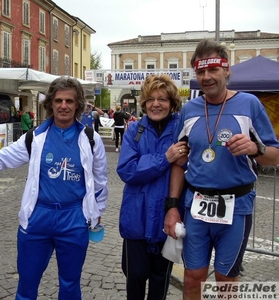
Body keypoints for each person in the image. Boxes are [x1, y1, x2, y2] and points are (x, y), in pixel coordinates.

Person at [163, 39, 279, 300]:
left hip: (236, 206)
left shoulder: (249, 104)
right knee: (193, 277)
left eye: (213, 69)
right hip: (197, 205)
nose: (207, 77)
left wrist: (255, 148)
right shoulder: (190, 109)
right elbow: (179, 162)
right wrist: (172, 206)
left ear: (227, 70)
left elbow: (274, 155)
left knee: (226, 279)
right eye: (201, 71)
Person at [0, 76, 108, 300]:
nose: (63, 106)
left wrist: (97, 211)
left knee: (70, 285)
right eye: (58, 101)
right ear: (51, 104)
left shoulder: (91, 140)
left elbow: (101, 179)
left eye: (69, 101)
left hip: (74, 218)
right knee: (26, 285)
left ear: (77, 105)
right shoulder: (34, 138)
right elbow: (0, 159)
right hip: (38, 217)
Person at [117, 74, 189, 300]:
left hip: (168, 216)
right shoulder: (134, 130)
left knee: (161, 279)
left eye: (162, 99)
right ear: (144, 103)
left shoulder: (183, 129)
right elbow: (127, 170)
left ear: (172, 103)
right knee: (135, 275)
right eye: (150, 99)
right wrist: (164, 158)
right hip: (136, 218)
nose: (156, 104)